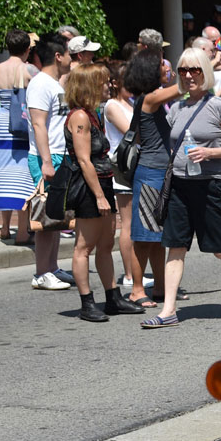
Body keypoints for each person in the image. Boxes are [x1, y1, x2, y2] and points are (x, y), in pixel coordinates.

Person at [141, 48, 221, 327]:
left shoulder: (219, 106)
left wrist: (209, 153)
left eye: (194, 70)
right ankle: (168, 310)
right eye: (183, 71)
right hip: (179, 186)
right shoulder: (177, 108)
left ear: (205, 72)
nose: (189, 76)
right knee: (175, 247)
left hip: (209, 186)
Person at [59, 63, 142, 322]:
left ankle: (112, 297)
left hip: (103, 182)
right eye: (104, 82)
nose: (109, 85)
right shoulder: (79, 117)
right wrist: (98, 196)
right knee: (84, 247)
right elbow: (84, 160)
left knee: (106, 244)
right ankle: (87, 303)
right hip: (89, 187)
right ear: (89, 85)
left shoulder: (93, 114)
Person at [124, 48, 182, 308]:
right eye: (161, 65)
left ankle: (160, 286)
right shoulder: (150, 98)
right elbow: (183, 88)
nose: (166, 67)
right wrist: (205, 65)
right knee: (144, 236)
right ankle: (137, 290)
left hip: (159, 172)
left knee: (158, 237)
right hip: (150, 174)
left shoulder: (151, 98)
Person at [25, 36, 75, 290]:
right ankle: (41, 273)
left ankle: (52, 267)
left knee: (56, 216)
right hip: (48, 156)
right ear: (58, 56)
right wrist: (46, 162)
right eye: (68, 54)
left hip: (59, 155)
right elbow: (38, 124)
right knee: (44, 216)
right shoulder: (40, 84)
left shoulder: (53, 83)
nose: (71, 59)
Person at [0, 29, 35, 245]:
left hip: (4, 122)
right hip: (21, 122)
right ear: (27, 49)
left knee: (5, 174)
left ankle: (5, 227)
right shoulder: (29, 69)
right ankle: (23, 230)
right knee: (23, 176)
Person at [101, 64, 141, 298]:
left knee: (136, 221)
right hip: (122, 166)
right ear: (115, 82)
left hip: (136, 165)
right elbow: (131, 132)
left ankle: (136, 270)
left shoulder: (131, 103)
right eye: (128, 80)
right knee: (127, 222)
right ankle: (128, 274)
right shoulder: (112, 106)